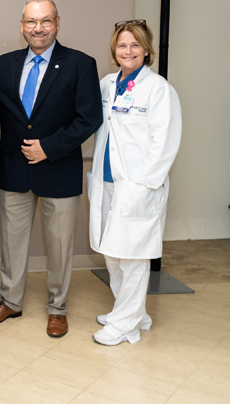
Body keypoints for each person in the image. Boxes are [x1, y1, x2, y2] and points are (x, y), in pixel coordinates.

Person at [0, 0, 102, 338]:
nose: (38, 28)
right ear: (22, 26)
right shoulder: (3, 64)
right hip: (15, 171)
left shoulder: (80, 64)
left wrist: (49, 147)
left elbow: (89, 118)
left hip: (59, 169)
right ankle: (10, 301)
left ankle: (57, 308)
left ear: (57, 23)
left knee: (60, 246)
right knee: (11, 243)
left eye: (46, 21)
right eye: (31, 22)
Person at [88, 20, 181, 346]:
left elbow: (165, 142)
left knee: (133, 255)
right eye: (122, 45)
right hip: (108, 179)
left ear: (146, 50)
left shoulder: (158, 89)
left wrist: (145, 184)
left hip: (138, 186)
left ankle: (124, 325)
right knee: (112, 253)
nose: (128, 51)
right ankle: (132, 313)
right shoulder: (107, 83)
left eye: (135, 45)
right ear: (115, 49)